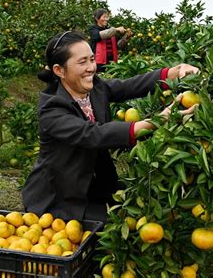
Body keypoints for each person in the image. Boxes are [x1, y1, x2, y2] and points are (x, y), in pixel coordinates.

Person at [22, 30, 199, 222]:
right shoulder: (52, 108)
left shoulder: (96, 88)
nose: (91, 67)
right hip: (58, 200)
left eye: (91, 59)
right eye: (82, 62)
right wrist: (159, 120)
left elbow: (130, 86)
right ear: (59, 70)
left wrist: (174, 72)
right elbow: (93, 134)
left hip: (96, 187)